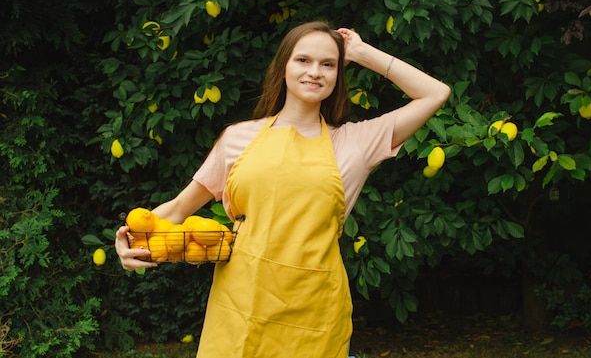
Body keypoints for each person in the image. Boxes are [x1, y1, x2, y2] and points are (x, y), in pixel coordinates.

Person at [115, 20, 451, 357]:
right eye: (303, 60)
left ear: (338, 75)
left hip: (315, 310)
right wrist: (130, 239)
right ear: (284, 66)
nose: (315, 72)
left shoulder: (356, 143)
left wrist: (361, 52)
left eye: (328, 64)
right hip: (240, 303)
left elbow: (435, 93)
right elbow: (177, 208)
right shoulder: (237, 138)